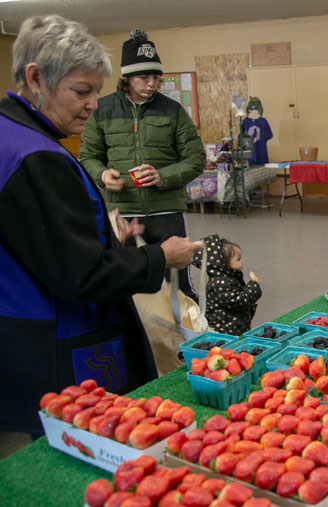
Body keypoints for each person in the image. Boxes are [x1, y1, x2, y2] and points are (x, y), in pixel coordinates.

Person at [0, 15, 202, 434]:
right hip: (56, 342)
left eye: (95, 91)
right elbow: (81, 274)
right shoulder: (37, 157)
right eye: (80, 91)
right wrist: (159, 257)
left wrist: (107, 237)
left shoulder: (10, 135)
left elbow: (43, 242)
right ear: (35, 78)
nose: (92, 104)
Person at [80, 29, 205, 303]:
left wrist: (163, 176)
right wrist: (102, 174)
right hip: (122, 215)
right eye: (143, 77)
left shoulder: (172, 110)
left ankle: (185, 339)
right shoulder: (101, 110)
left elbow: (196, 158)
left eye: (156, 77)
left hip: (167, 212)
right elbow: (87, 156)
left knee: (177, 284)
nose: (151, 84)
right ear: (126, 78)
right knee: (126, 284)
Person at [192, 235, 262, 335]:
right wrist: (253, 287)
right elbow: (240, 301)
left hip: (234, 328)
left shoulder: (228, 279)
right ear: (223, 264)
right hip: (226, 333)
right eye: (238, 259)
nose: (242, 262)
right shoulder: (221, 284)